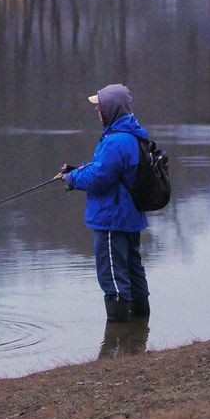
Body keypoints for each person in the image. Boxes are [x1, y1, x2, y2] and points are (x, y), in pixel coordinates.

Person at [56, 83, 151, 323]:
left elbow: (100, 179)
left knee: (112, 276)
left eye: (100, 106)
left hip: (112, 219)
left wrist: (72, 178)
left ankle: (118, 337)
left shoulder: (115, 141)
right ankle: (140, 330)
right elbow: (110, 171)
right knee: (132, 270)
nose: (97, 110)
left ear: (112, 108)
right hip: (129, 217)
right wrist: (78, 170)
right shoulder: (132, 135)